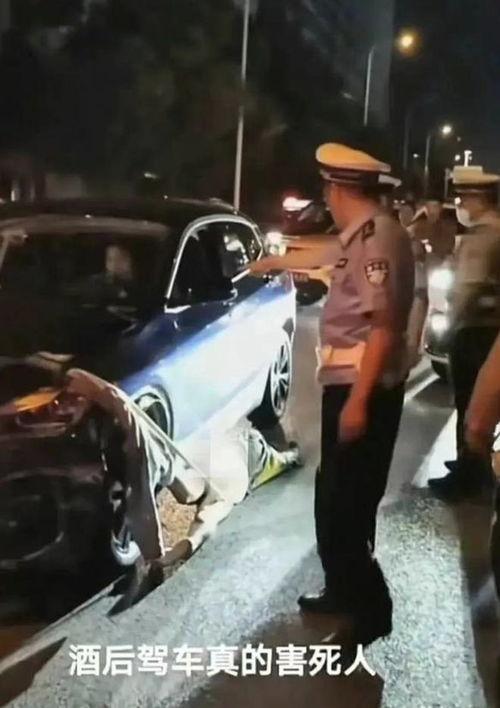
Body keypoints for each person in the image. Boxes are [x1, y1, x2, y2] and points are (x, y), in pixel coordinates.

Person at [251, 143, 415, 648]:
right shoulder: (364, 234)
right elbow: (327, 255)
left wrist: (359, 402)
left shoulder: (378, 239)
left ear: (340, 189)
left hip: (362, 388)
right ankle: (342, 590)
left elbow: (383, 327)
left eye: (327, 189)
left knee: (346, 505)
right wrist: (276, 260)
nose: (326, 198)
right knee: (334, 497)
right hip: (345, 385)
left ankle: (371, 612)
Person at [429, 166, 500, 500]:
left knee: (469, 404)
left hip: (474, 329)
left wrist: (449, 326)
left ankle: (469, 475)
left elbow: (468, 287)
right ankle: (473, 466)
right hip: (490, 330)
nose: (462, 205)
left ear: (479, 199)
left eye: (465, 199)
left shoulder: (483, 235)